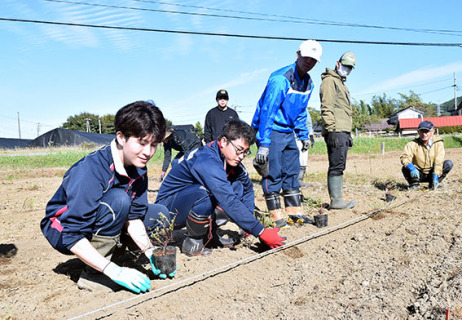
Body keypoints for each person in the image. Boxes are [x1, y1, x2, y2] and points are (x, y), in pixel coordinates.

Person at [40, 101, 176, 293]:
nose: (148, 152)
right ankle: (94, 275)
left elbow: (134, 216)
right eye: (141, 142)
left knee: (157, 213)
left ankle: (114, 254)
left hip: (103, 216)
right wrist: (114, 271)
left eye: (154, 145)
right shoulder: (92, 170)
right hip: (64, 228)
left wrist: (150, 251)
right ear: (121, 137)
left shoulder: (139, 168)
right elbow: (72, 233)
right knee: (119, 200)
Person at [155, 120, 286, 256]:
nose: (241, 156)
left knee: (237, 186)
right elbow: (227, 199)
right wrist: (260, 231)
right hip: (166, 211)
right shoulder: (207, 159)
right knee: (207, 193)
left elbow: (247, 189)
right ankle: (194, 243)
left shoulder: (231, 161)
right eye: (239, 150)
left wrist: (248, 226)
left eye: (246, 152)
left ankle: (210, 236)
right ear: (224, 141)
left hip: (188, 201)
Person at [252, 39, 322, 228]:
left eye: (313, 60)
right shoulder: (281, 79)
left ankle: (294, 212)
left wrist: (303, 133)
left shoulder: (308, 83)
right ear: (298, 54)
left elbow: (300, 111)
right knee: (273, 173)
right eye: (306, 57)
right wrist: (264, 143)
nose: (309, 62)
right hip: (272, 129)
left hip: (289, 131)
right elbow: (268, 111)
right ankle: (275, 215)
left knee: (292, 171)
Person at [320, 51, 357, 210]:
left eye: (350, 67)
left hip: (342, 129)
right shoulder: (330, 81)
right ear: (338, 63)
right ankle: (336, 201)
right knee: (336, 165)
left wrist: (347, 132)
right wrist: (332, 129)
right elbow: (326, 106)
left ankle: (338, 199)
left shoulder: (341, 83)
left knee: (340, 164)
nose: (347, 69)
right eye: (345, 65)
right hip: (336, 130)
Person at [400, 120, 453, 190]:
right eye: (422, 131)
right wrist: (412, 168)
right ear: (418, 132)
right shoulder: (412, 144)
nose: (424, 134)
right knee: (405, 168)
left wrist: (436, 175)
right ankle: (414, 184)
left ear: (433, 131)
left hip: (432, 172)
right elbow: (405, 157)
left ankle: (433, 183)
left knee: (448, 164)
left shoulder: (438, 143)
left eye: (426, 131)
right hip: (418, 173)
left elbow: (439, 161)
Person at [297, 110, 316, 188]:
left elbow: (308, 122)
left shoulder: (303, 108)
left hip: (302, 137)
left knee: (303, 160)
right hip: (291, 136)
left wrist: (311, 135)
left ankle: (299, 180)